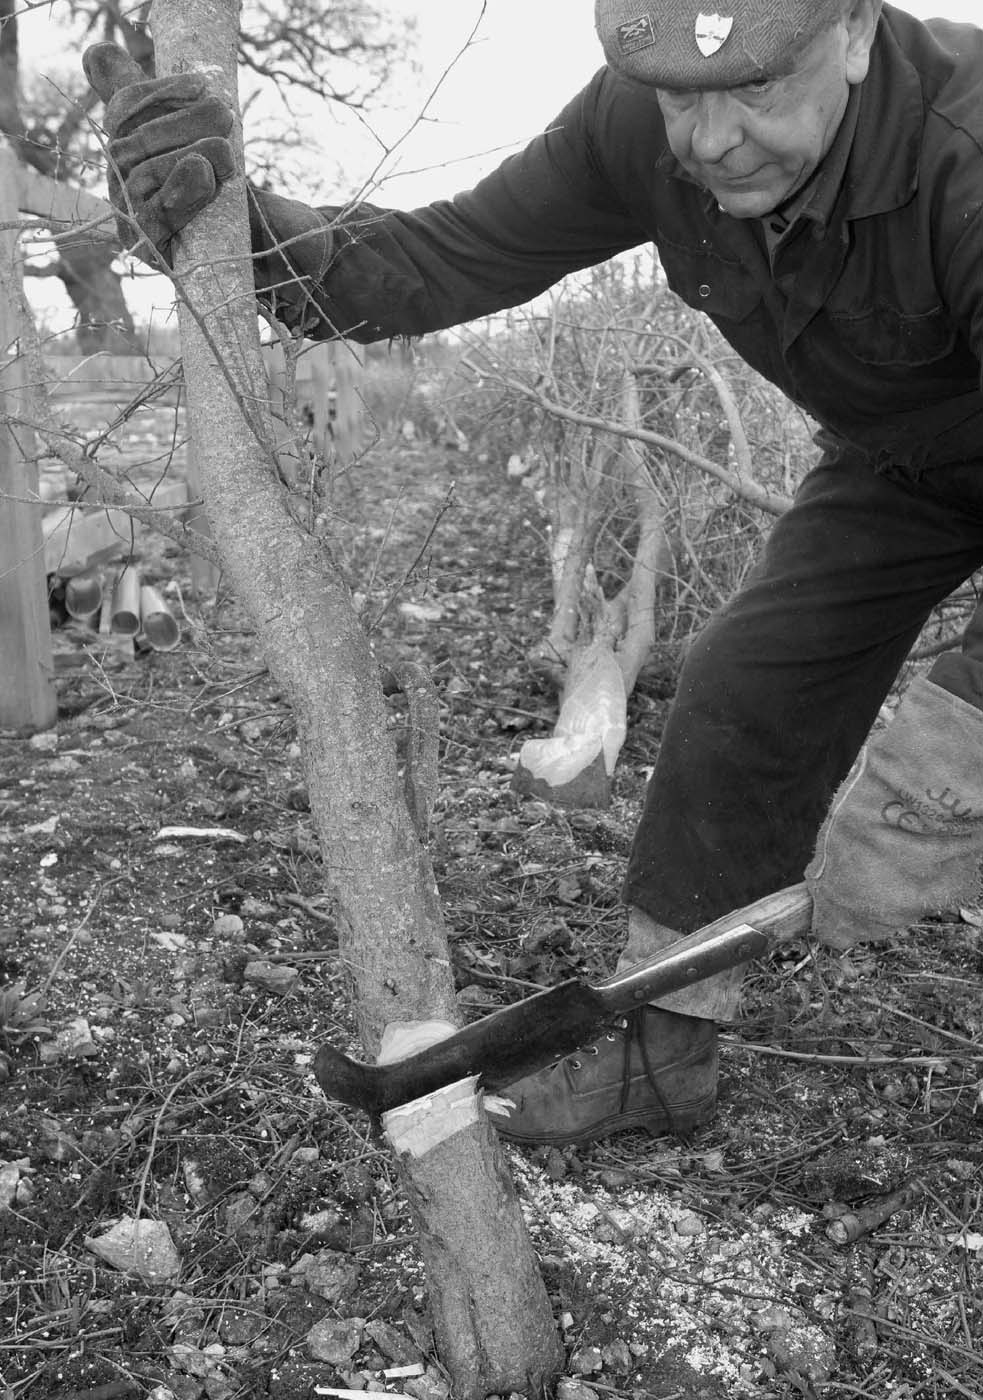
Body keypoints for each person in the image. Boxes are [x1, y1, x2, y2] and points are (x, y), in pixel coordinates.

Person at [83, 0, 983, 1147]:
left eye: (755, 89)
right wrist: (230, 222)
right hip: (905, 456)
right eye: (679, 98)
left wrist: (949, 765)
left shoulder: (962, 147)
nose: (708, 141)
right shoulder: (636, 130)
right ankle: (661, 1057)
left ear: (852, 33)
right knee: (740, 694)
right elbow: (429, 261)